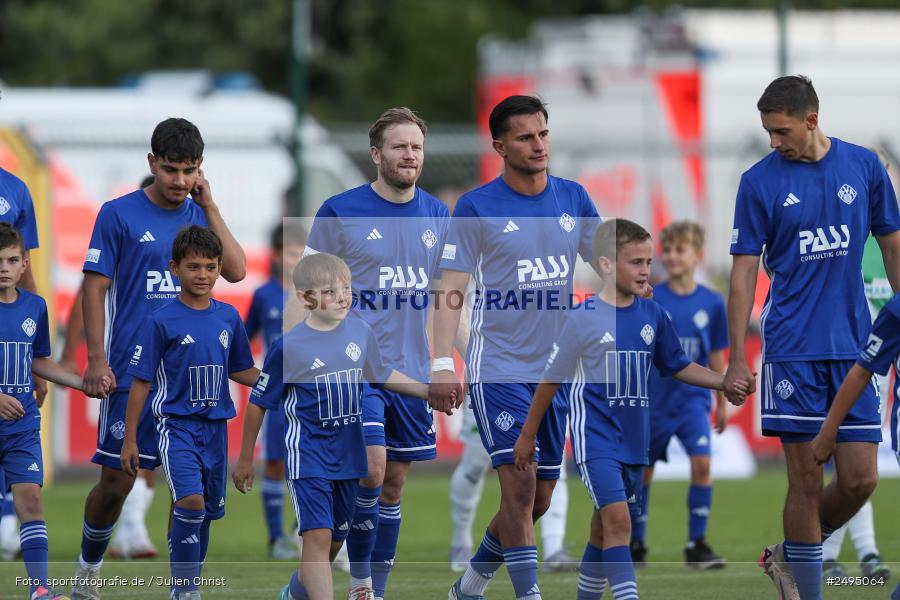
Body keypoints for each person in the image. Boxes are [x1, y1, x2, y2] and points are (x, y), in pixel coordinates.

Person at [725, 75, 900, 600]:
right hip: (791, 349)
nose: (773, 142)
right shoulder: (758, 182)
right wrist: (737, 358)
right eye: (767, 133)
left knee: (860, 479)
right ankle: (806, 590)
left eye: (780, 131)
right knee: (804, 479)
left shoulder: (865, 168)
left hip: (855, 347)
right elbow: (740, 275)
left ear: (811, 119)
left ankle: (788, 555)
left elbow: (892, 246)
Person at [513, 218, 747, 600]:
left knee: (603, 532)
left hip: (636, 441)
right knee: (619, 521)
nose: (646, 270)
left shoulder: (652, 315)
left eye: (647, 261)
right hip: (597, 441)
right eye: (635, 262)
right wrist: (527, 437)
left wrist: (723, 382)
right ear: (606, 265)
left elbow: (678, 364)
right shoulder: (581, 318)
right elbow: (549, 382)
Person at [429, 95, 600, 600]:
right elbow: (449, 290)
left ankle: (469, 587)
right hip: (499, 368)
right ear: (500, 146)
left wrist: (637, 281)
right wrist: (442, 362)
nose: (538, 144)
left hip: (555, 374)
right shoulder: (477, 206)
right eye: (525, 137)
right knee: (519, 489)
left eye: (543, 133)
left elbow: (610, 263)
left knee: (538, 499)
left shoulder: (574, 198)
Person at [72, 118, 247, 600]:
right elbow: (95, 285)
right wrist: (95, 359)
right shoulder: (117, 214)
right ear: (152, 164)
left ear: (200, 169)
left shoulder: (199, 213)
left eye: (189, 171)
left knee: (185, 492)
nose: (179, 181)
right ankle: (86, 575)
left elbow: (235, 270)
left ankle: (182, 590)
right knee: (115, 483)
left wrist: (208, 203)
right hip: (133, 371)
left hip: (191, 382)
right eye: (170, 169)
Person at [303, 107, 457, 600]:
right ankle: (358, 583)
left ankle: (359, 588)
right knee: (371, 470)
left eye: (416, 147)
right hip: (355, 371)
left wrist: (447, 362)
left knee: (390, 487)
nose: (409, 155)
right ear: (376, 155)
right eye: (399, 146)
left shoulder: (437, 215)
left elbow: (445, 297)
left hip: (410, 372)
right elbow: (306, 285)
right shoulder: (339, 210)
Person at [233, 252, 445, 600]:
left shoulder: (360, 332)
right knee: (316, 538)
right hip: (309, 457)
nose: (342, 296)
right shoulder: (288, 347)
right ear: (305, 298)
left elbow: (381, 374)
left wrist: (426, 391)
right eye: (330, 291)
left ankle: (295, 593)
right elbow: (259, 402)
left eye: (345, 288)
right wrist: (244, 459)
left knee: (333, 540)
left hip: (349, 457)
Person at [121, 226, 258, 600]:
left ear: (218, 270)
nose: (202, 275)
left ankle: (188, 584)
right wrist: (130, 439)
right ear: (174, 269)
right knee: (190, 502)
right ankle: (184, 592)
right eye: (193, 266)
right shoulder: (160, 320)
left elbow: (241, 368)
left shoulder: (228, 317)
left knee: (206, 512)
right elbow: (140, 383)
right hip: (176, 427)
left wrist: (274, 382)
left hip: (216, 431)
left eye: (210, 267)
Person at [0, 222, 110, 599]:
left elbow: (38, 360)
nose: (4, 267)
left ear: (25, 264)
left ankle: (39, 590)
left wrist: (82, 384)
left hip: (22, 426)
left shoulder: (35, 307)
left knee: (30, 498)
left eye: (12, 260)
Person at [630, 221, 728, 569]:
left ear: (697, 255)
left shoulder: (713, 303)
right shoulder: (652, 297)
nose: (671, 257)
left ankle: (696, 544)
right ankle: (635, 543)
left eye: (680, 250)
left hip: (692, 401)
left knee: (702, 463)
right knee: (643, 472)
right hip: (654, 400)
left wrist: (722, 401)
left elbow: (716, 353)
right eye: (666, 250)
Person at [820, 148, 894, 581]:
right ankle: (834, 552)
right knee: (839, 462)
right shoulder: (840, 234)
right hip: (838, 358)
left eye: (883, 174)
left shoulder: (891, 237)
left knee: (860, 464)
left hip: (878, 367)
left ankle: (853, 552)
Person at [811, 293, 898, 594]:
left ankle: (839, 552)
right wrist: (829, 429)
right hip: (843, 352)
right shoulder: (895, 310)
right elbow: (861, 371)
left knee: (859, 477)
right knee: (856, 473)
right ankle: (811, 549)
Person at [448, 404, 577, 572]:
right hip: (495, 387)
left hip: (541, 388)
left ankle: (554, 549)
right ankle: (461, 544)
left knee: (553, 465)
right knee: (475, 463)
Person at [245, 221, 307, 560]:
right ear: (277, 256)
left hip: (309, 392)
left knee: (308, 463)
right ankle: (275, 539)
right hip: (277, 396)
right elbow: (243, 337)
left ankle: (304, 532)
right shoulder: (264, 295)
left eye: (301, 253)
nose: (295, 259)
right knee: (274, 463)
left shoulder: (314, 294)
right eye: (289, 253)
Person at [0, 164, 42, 562]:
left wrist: (34, 347)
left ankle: (40, 587)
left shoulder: (15, 189)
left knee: (29, 493)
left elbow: (23, 264)